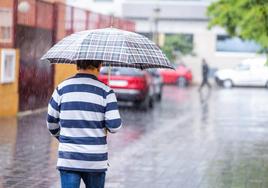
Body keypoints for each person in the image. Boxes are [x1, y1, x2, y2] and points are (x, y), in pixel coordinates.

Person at [46, 60, 122, 188]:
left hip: (69, 158)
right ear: (99, 66)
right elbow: (114, 126)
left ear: (76, 65)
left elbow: (51, 123)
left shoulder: (62, 89)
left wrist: (65, 139)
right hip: (95, 160)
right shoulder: (106, 92)